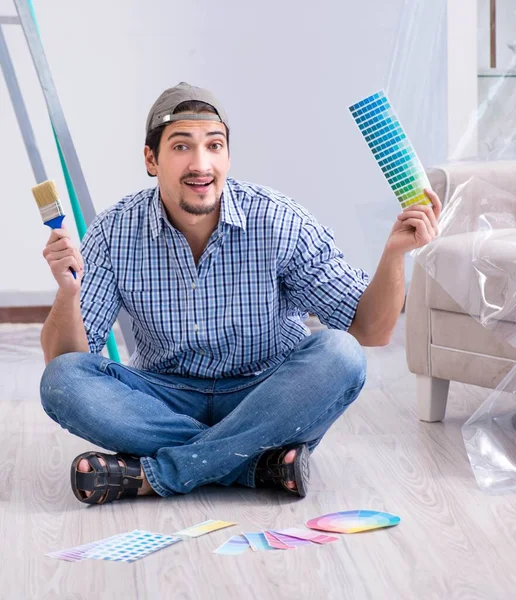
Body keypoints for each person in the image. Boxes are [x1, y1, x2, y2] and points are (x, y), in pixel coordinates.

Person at [39, 82, 441, 505]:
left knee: (340, 354)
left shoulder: (278, 220)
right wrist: (68, 291)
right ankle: (250, 464)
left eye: (214, 146)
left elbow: (370, 331)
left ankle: (165, 471)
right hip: (162, 400)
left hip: (266, 395)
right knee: (62, 381)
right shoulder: (114, 230)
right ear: (151, 159)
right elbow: (66, 360)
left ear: (228, 155)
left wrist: (395, 254)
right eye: (181, 147)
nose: (201, 164)